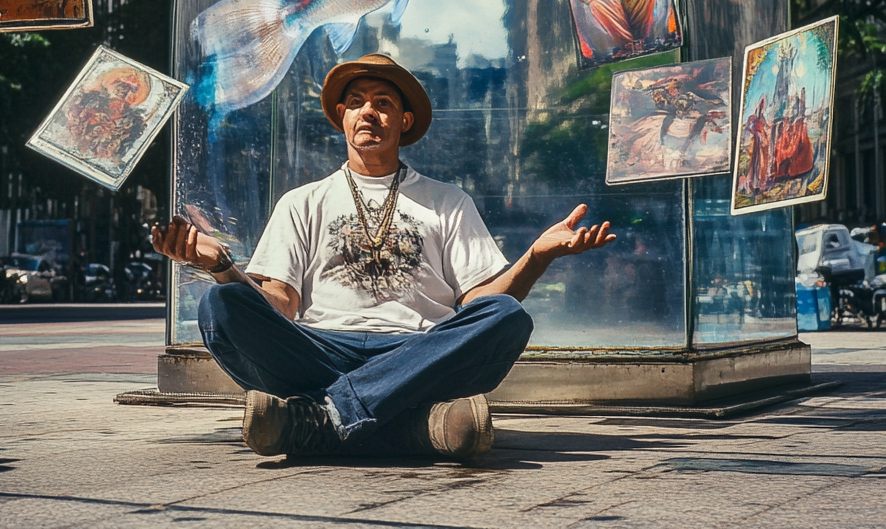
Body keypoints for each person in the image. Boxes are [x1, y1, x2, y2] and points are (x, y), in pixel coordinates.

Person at [153, 53, 615, 460]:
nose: (368, 112)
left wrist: (536, 256)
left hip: (420, 351)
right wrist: (221, 267)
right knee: (219, 305)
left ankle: (322, 416)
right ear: (341, 115)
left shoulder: (448, 201)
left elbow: (478, 305)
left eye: (383, 103)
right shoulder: (302, 201)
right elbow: (281, 305)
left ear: (404, 122)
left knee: (507, 316)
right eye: (356, 102)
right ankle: (418, 425)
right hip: (321, 349)